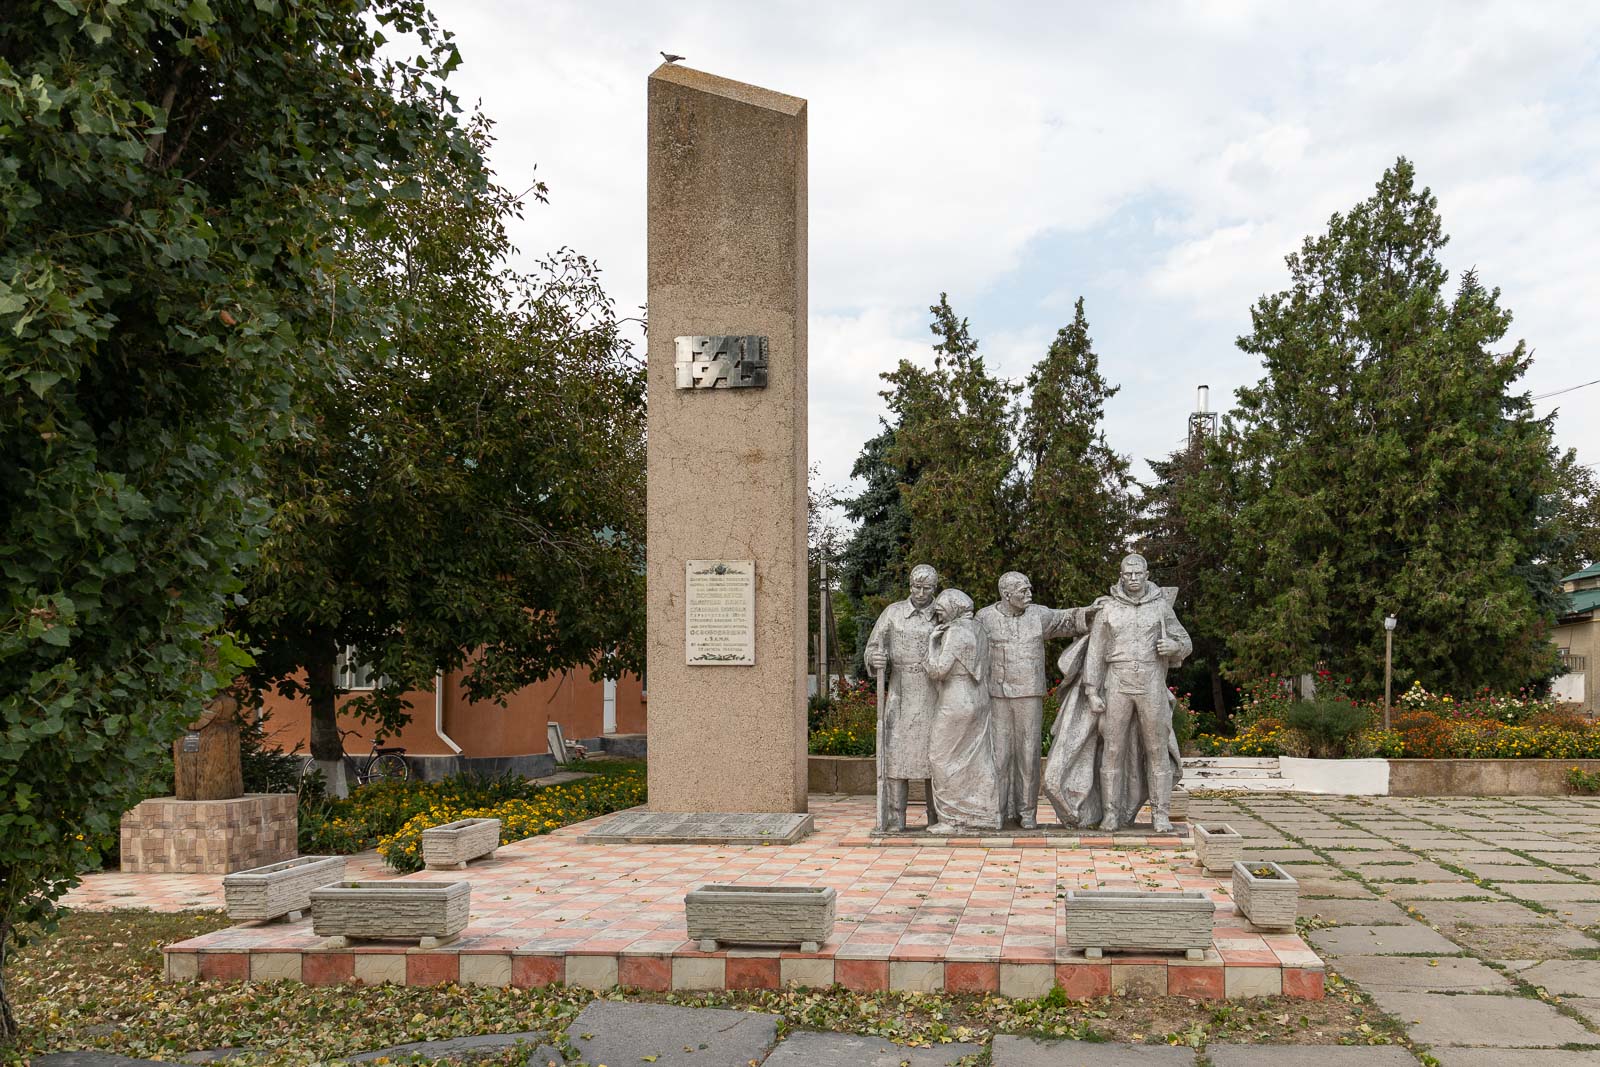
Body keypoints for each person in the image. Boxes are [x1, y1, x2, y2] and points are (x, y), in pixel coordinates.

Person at [1042, 554, 1189, 832]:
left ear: (1146, 574)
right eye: (1127, 574)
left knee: (1156, 750)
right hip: (1117, 684)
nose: (1133, 578)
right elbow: (1095, 653)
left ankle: (1161, 814)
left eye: (1138, 573)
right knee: (1112, 750)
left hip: (1150, 684)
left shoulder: (1160, 608)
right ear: (1121, 576)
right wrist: (1091, 690)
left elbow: (1184, 641)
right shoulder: (1108, 609)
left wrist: (1174, 647)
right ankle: (1111, 813)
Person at [975, 572, 1094, 829]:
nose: (1029, 594)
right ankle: (999, 810)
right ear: (1006, 594)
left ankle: (1027, 812)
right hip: (997, 695)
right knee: (999, 755)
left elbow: (1067, 619)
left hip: (1029, 694)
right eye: (1023, 591)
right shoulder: (984, 618)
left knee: (1028, 755)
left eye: (1030, 588)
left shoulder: (1038, 615)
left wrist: (1092, 612)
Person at [864, 564, 941, 831]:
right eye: (916, 587)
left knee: (935, 755)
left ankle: (937, 817)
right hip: (901, 692)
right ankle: (896, 818)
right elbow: (874, 647)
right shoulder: (893, 613)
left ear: (935, 589)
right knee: (897, 755)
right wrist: (875, 659)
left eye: (926, 588)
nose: (920, 593)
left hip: (934, 691)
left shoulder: (942, 615)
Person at [924, 588, 1001, 834]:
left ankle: (953, 818)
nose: (939, 614)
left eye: (942, 609)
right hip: (978, 698)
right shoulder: (978, 628)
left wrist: (932, 643)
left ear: (954, 607)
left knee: (942, 758)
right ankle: (985, 814)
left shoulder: (956, 632)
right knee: (977, 758)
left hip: (956, 699)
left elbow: (937, 671)